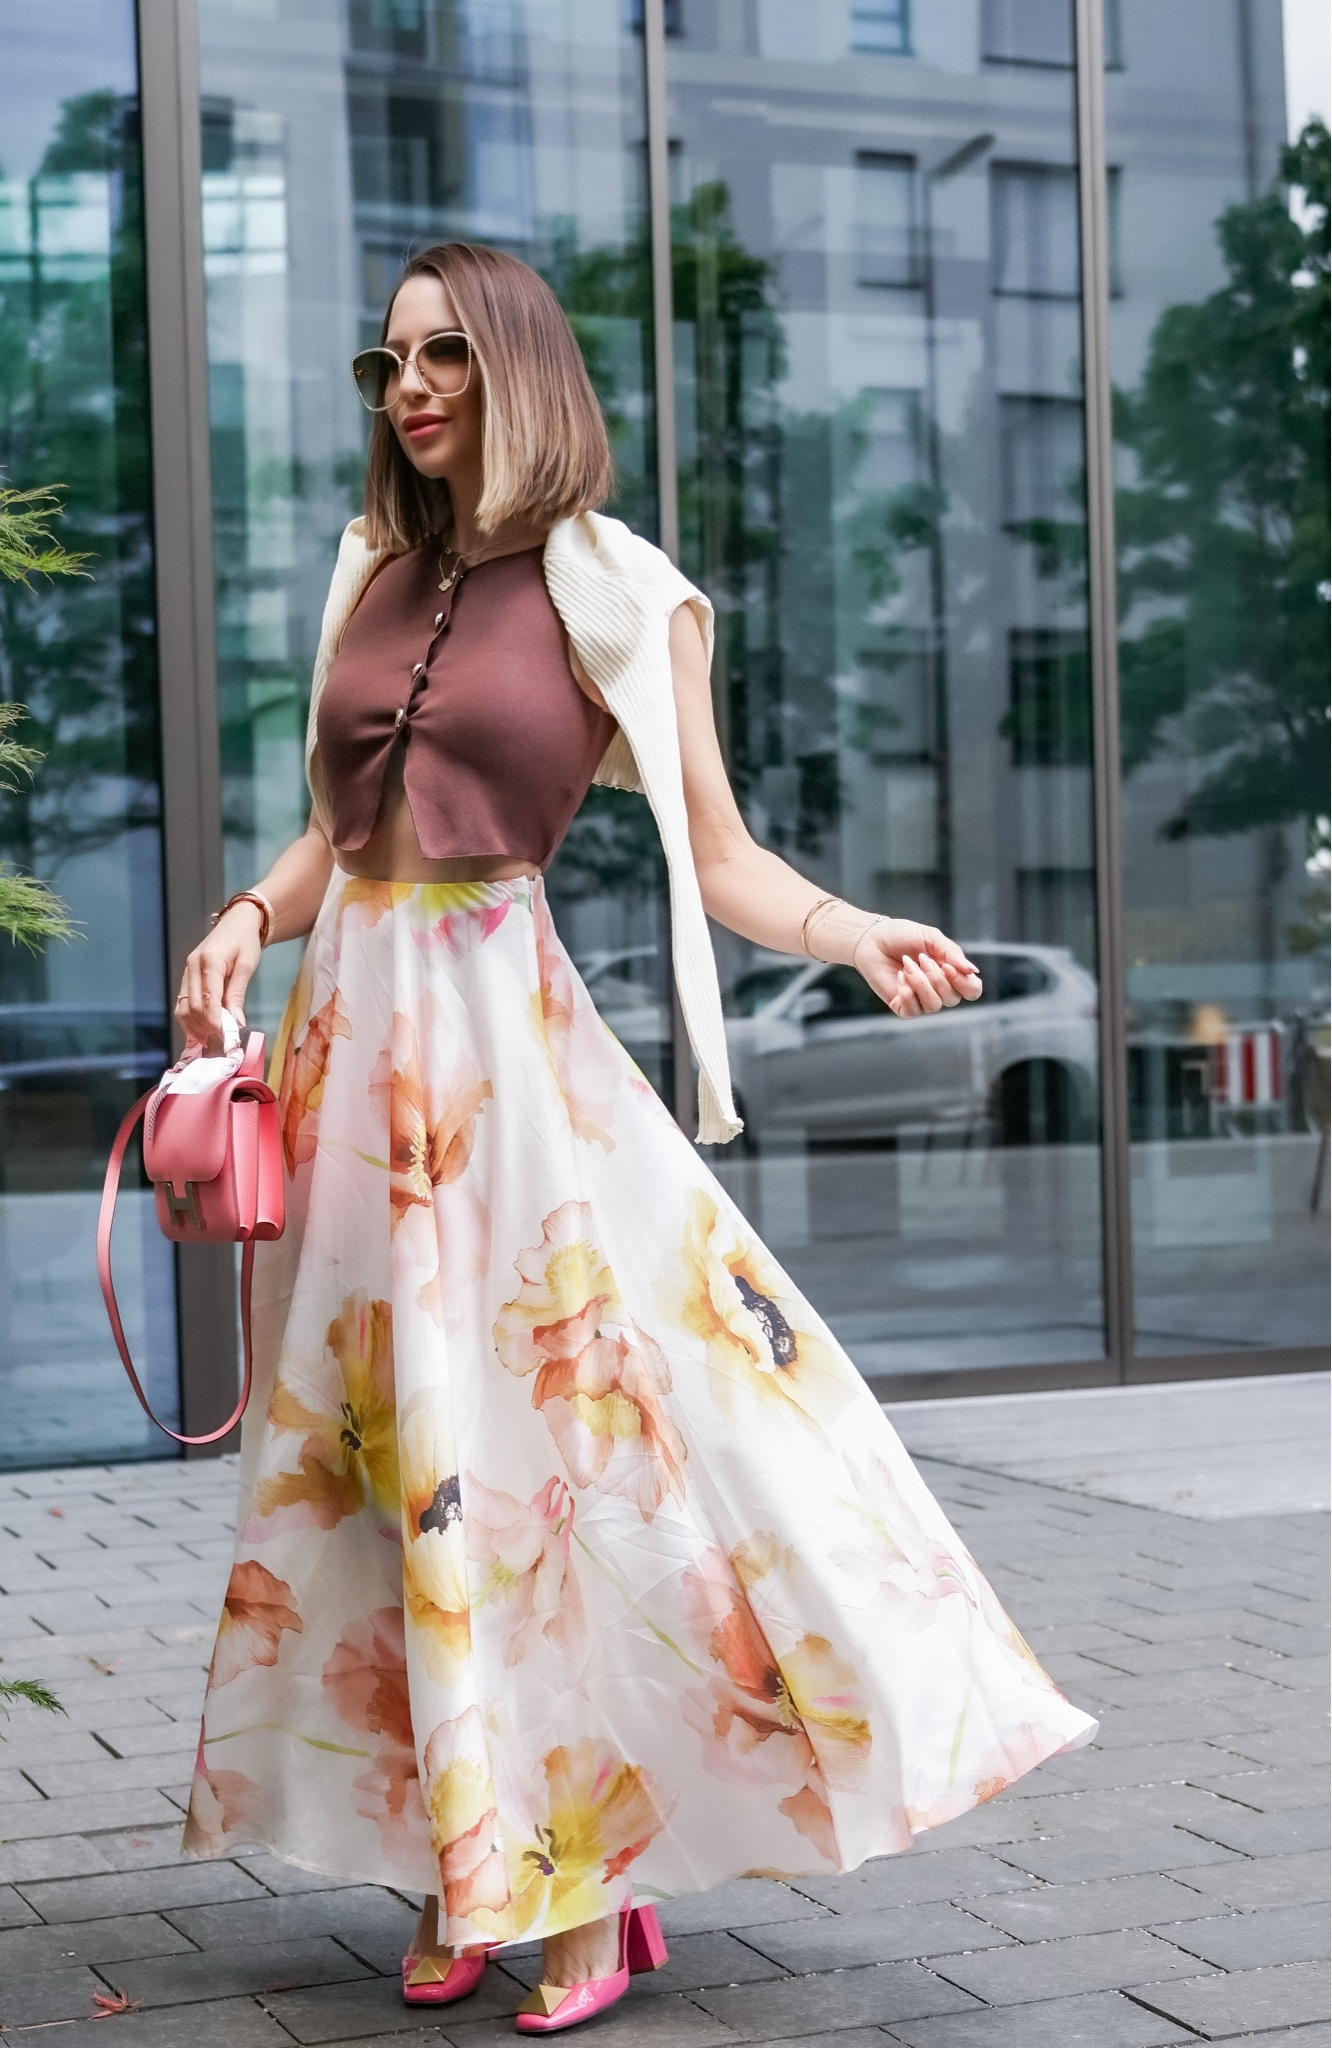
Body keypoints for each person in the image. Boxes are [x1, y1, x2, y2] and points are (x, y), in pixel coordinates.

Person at [175, 242, 1095, 2035]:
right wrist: (242, 915)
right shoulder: (372, 568)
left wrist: (855, 934)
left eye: (446, 355)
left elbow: (723, 853)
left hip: (504, 1074)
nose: (413, 388)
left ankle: (587, 1875)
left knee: (547, 1479)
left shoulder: (618, 593)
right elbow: (335, 830)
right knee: (380, 1473)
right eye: (388, 366)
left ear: (522, 365)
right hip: (349, 1066)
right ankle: (463, 1859)